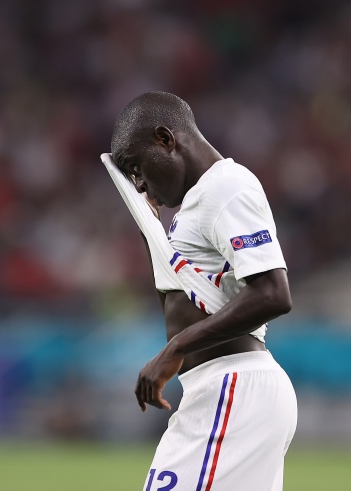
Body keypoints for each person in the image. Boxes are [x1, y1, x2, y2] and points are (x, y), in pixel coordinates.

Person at [110, 91, 297, 491]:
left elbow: (273, 293)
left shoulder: (226, 186)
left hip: (233, 388)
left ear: (165, 139)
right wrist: (151, 233)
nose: (139, 182)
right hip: (222, 390)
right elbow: (182, 300)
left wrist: (174, 349)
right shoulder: (194, 205)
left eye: (136, 167)